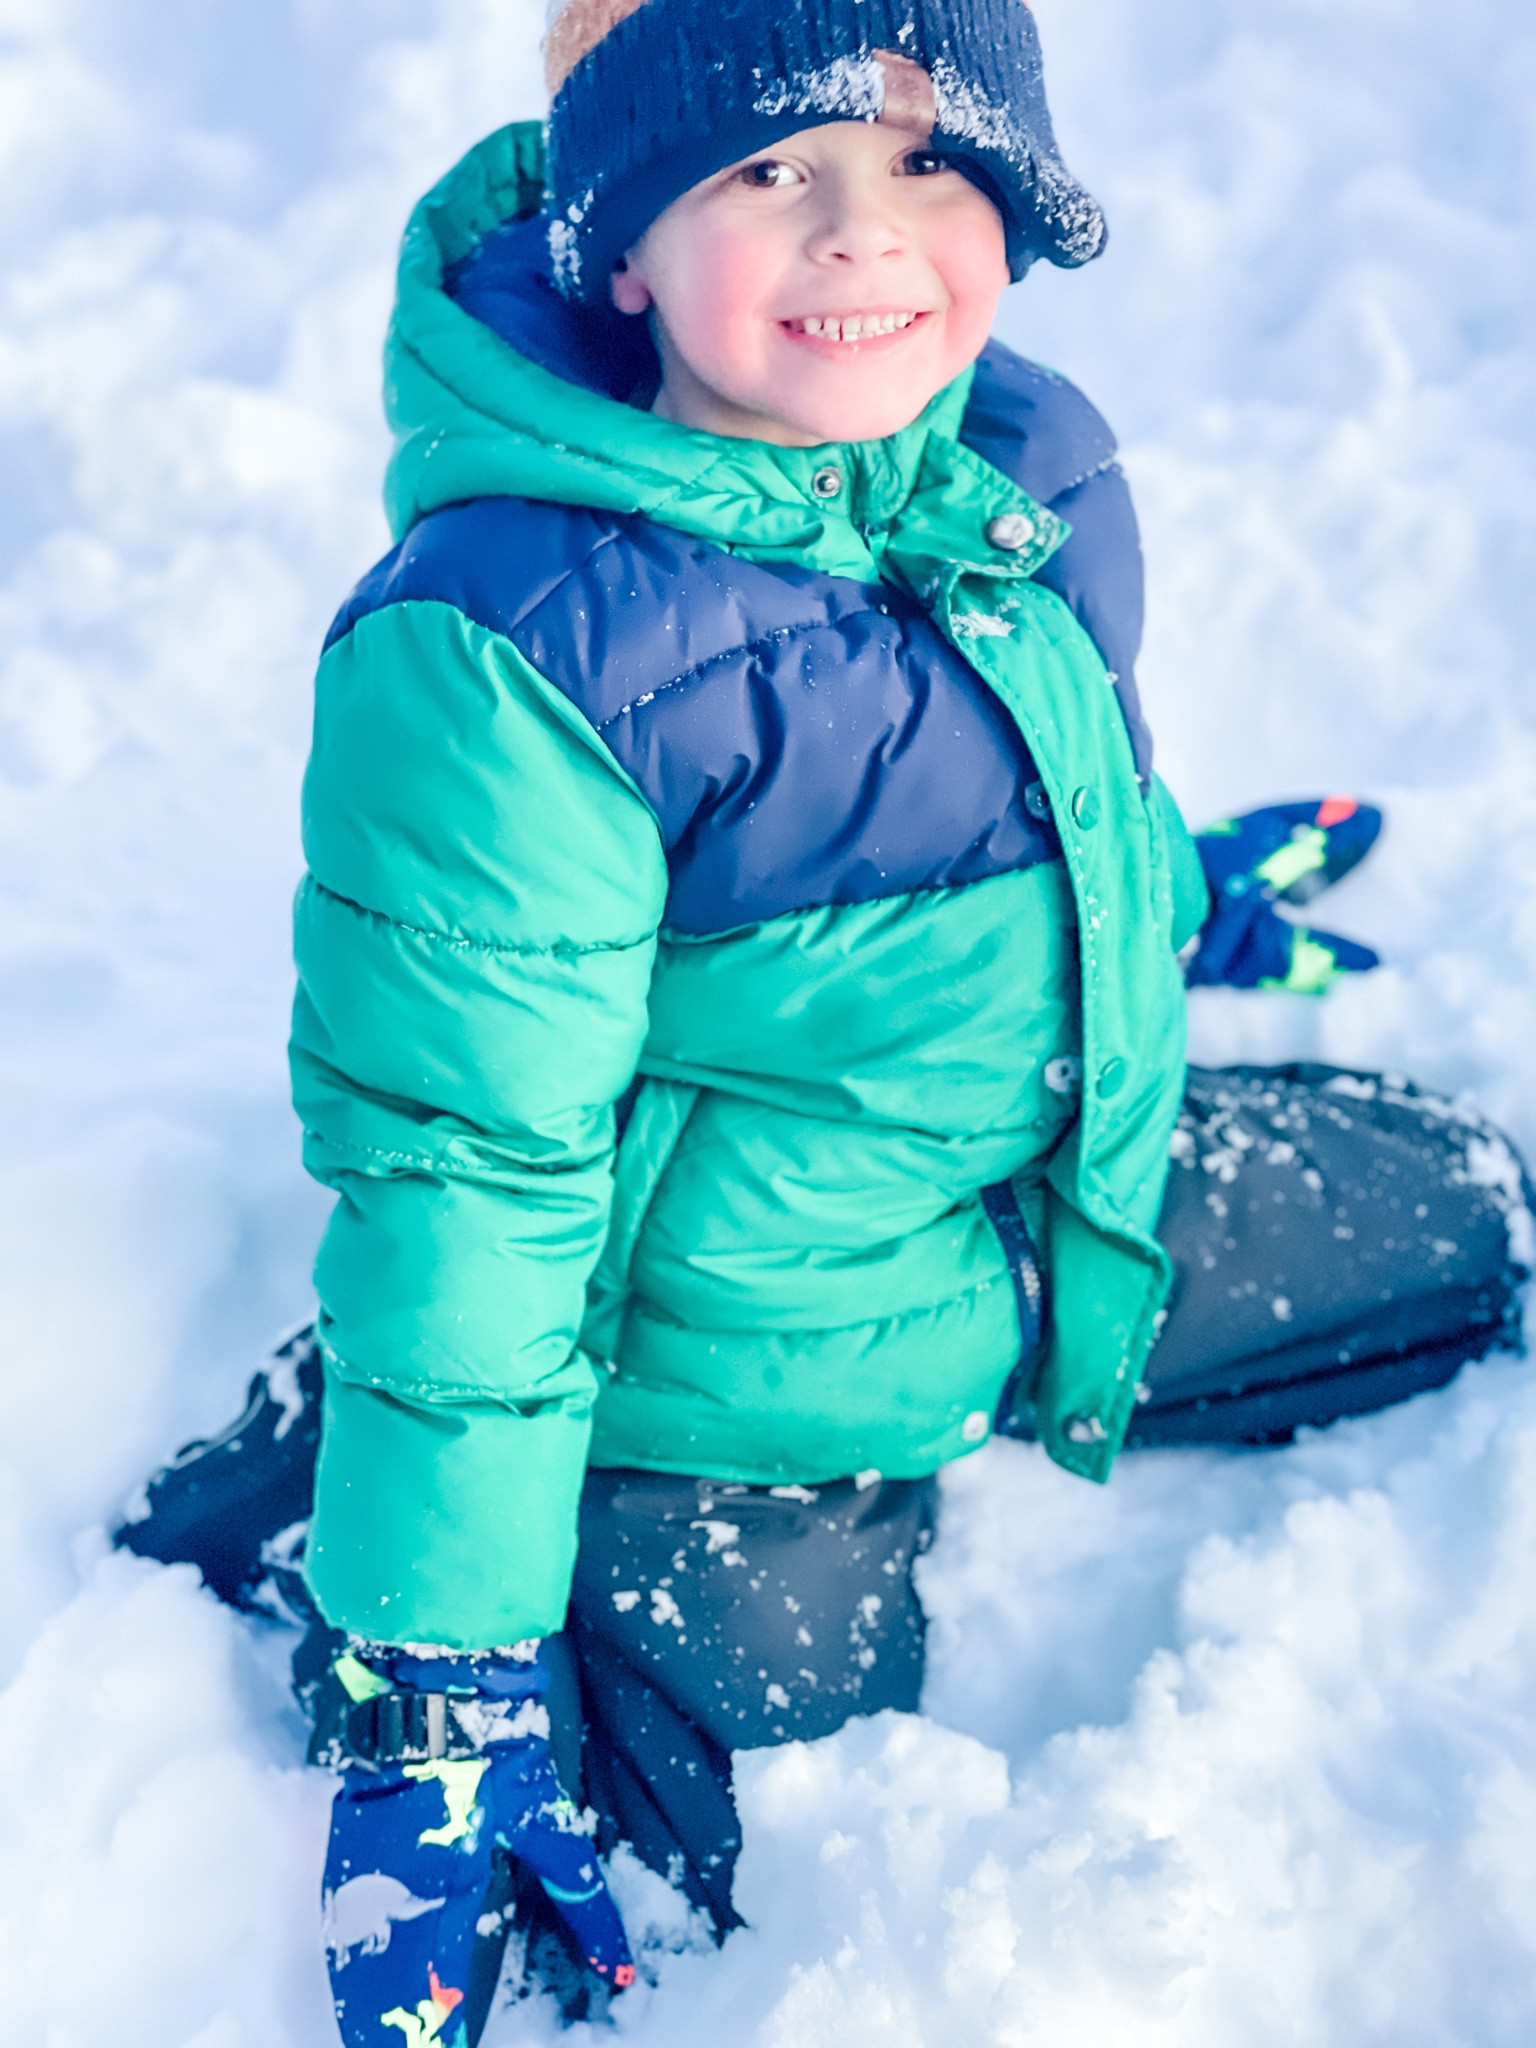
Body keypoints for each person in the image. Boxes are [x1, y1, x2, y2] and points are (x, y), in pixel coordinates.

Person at [118, 2, 1532, 2040]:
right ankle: (369, 1481)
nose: (866, 238)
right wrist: (447, 1674)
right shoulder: (516, 652)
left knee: (1470, 1216)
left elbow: (996, 795)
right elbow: (469, 1166)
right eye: (771, 169)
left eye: (929, 161)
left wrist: (1156, 900)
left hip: (1051, 1195)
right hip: (726, 1380)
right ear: (622, 240)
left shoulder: (1013, 458)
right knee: (757, 1879)